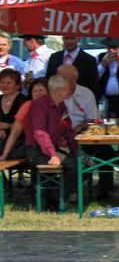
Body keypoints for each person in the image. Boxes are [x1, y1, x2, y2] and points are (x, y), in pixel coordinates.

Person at [25, 74, 78, 210]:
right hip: (36, 150)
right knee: (72, 166)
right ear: (60, 90)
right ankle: (57, 199)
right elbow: (39, 133)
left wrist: (77, 153)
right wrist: (53, 155)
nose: (70, 91)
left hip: (50, 148)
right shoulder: (39, 105)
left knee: (81, 164)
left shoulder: (62, 106)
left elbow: (68, 132)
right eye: (67, 88)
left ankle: (56, 197)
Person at [0, 78, 48, 161]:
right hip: (33, 147)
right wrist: (4, 155)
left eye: (41, 90)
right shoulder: (27, 106)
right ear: (31, 94)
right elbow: (15, 132)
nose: (38, 93)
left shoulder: (56, 105)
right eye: (35, 91)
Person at [60, 63, 97, 134]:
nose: (58, 81)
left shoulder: (86, 93)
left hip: (80, 134)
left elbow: (93, 120)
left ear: (74, 80)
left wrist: (79, 127)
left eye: (63, 78)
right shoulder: (53, 92)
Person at [0, 69, 27, 157]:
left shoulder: (24, 101)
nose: (5, 85)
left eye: (9, 83)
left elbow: (22, 128)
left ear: (17, 85)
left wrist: (6, 125)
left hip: (19, 142)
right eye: (3, 82)